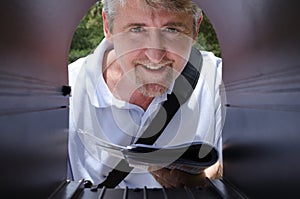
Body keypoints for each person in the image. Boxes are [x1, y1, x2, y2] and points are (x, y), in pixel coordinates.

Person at [68, 0, 224, 188]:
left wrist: (212, 181)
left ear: (195, 29)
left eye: (172, 29)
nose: (155, 56)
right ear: (107, 26)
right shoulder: (65, 91)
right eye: (137, 29)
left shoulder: (220, 82)